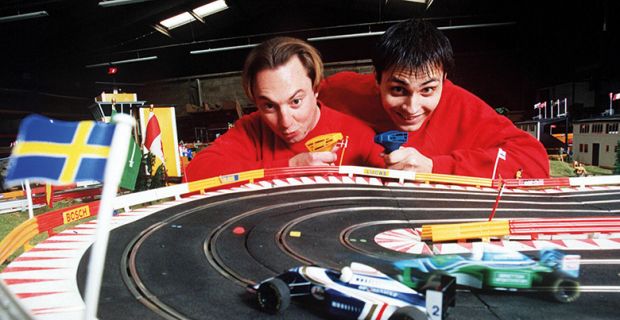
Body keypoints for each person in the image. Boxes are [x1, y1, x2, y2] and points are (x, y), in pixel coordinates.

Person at [319, 19, 550, 179]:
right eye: (398, 90)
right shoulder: (340, 89)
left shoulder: (463, 105)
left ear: (444, 79)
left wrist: (435, 167)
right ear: (377, 78)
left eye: (428, 90)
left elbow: (535, 161)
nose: (412, 108)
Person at [186, 37, 383, 180]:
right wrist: (289, 167)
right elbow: (193, 175)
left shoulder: (357, 134)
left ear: (315, 89)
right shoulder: (251, 129)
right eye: (269, 106)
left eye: (296, 101)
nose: (285, 122)